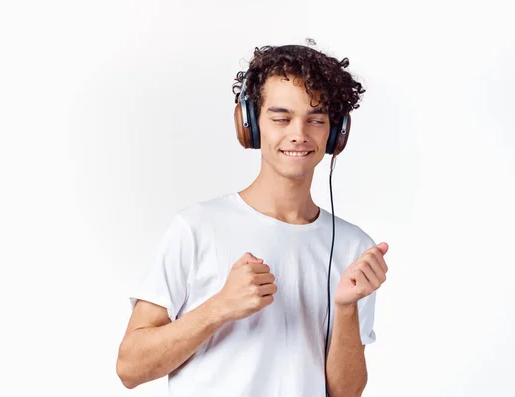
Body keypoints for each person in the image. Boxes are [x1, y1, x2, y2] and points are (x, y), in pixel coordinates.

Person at [116, 43, 389, 397]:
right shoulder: (196, 228)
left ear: (335, 134)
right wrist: (218, 308)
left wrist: (346, 307)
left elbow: (345, 393)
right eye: (281, 118)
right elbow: (130, 368)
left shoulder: (355, 249)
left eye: (316, 119)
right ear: (251, 125)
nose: (299, 133)